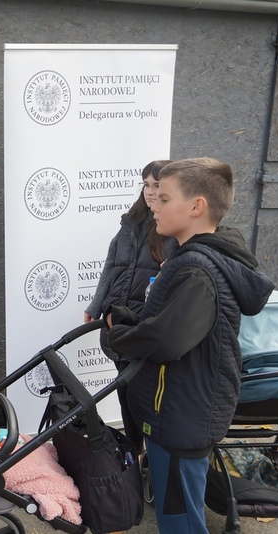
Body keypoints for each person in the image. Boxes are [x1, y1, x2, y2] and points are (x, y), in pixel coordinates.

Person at [106, 157, 275, 533]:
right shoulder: (192, 259)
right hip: (179, 410)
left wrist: (118, 335)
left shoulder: (197, 269)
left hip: (180, 416)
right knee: (176, 512)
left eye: (164, 199)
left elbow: (169, 339)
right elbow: (175, 324)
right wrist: (134, 321)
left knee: (180, 520)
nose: (155, 205)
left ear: (197, 206)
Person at [84, 159, 176, 455]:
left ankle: (143, 454)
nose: (150, 191)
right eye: (146, 184)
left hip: (143, 326)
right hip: (117, 322)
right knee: (126, 395)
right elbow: (111, 266)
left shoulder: (172, 227)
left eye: (157, 185)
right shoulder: (130, 223)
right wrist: (97, 306)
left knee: (138, 397)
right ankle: (133, 456)